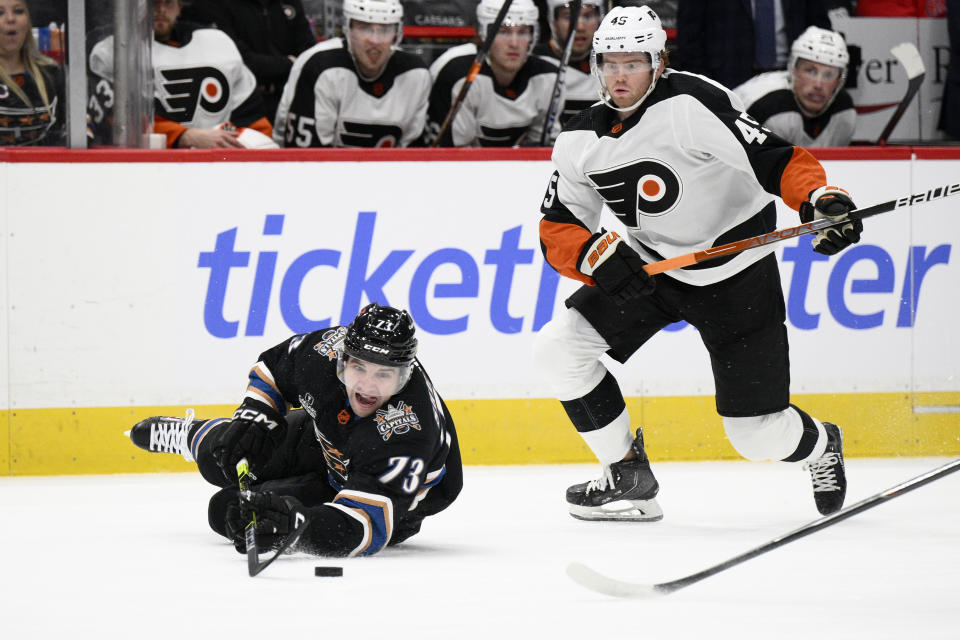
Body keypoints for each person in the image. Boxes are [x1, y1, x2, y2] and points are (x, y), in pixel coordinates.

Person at [533, 5, 856, 523]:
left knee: (756, 436)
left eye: (633, 62)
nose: (619, 75)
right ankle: (627, 476)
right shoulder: (577, 139)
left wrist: (820, 198)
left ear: (658, 63)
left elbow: (776, 160)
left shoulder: (693, 102)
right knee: (558, 351)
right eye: (610, 61)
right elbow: (558, 228)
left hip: (738, 275)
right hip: (653, 271)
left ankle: (822, 446)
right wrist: (595, 258)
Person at [127, 303, 463, 558]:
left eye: (383, 375)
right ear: (342, 359)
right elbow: (273, 369)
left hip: (368, 491)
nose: (367, 386)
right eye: (359, 367)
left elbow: (361, 523)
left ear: (404, 377)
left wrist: (297, 529)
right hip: (324, 442)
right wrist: (254, 418)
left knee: (225, 510)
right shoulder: (323, 351)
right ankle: (195, 434)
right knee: (231, 451)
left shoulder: (410, 432)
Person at [88, 0, 275, 149]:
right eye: (153, 3)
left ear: (179, 8)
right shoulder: (113, 53)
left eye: (168, 3)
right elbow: (120, 122)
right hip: (149, 169)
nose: (160, 10)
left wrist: (240, 142)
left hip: (219, 166)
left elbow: (255, 121)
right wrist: (185, 137)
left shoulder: (218, 44)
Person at [273, 0, 430, 148]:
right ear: (348, 29)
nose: (375, 40)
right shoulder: (319, 67)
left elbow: (413, 157)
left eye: (385, 29)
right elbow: (305, 159)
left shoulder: (415, 74)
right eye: (364, 27)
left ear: (397, 33)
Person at [426, 0, 561, 147]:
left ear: (533, 36)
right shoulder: (457, 73)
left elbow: (543, 150)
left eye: (522, 32)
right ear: (484, 33)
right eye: (503, 32)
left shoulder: (548, 77)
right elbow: (451, 156)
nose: (514, 43)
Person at [182, 0, 317, 124]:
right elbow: (237, 61)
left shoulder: (289, 2)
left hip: (290, 102)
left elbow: (310, 57)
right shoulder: (213, 4)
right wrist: (290, 63)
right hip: (239, 107)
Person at [735, 26, 855, 147]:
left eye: (829, 75)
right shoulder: (771, 105)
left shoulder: (843, 112)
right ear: (793, 69)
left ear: (839, 81)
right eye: (810, 71)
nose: (819, 85)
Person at [674, 0, 831, 90]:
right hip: (726, 81)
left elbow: (819, 27)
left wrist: (815, 78)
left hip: (793, 81)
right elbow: (689, 37)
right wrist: (707, 86)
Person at [0, 0, 64, 146]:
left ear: (28, 20)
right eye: (0, 13)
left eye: (18, 11)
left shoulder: (52, 73)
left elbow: (80, 131)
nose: (10, 19)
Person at [533, 0, 604, 127]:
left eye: (588, 16)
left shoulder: (613, 63)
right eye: (568, 16)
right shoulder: (534, 63)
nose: (580, 26)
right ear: (552, 21)